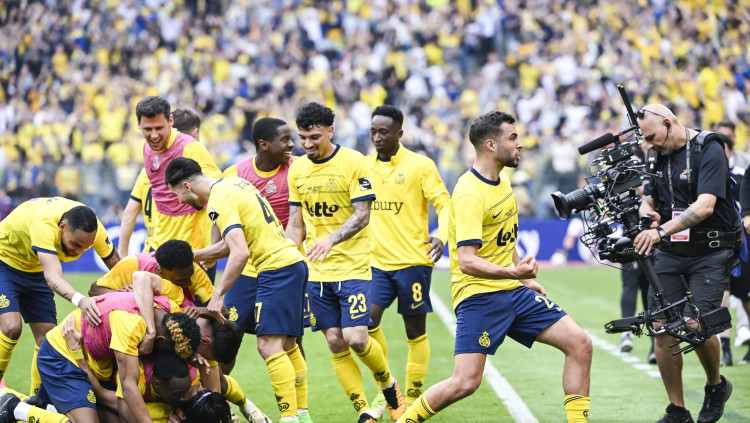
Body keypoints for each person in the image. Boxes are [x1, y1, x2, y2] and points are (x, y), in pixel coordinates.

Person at [397, 111, 592, 423]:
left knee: (580, 344)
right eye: (512, 138)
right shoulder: (469, 193)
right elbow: (467, 261)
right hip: (478, 296)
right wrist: (515, 274)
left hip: (513, 290)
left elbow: (502, 239)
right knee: (465, 382)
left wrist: (521, 278)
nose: (520, 144)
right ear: (490, 144)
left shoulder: (503, 179)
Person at [165, 157, 310, 423]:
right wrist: (190, 256)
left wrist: (217, 294)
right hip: (291, 264)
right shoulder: (234, 184)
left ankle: (289, 419)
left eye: (177, 195)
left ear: (187, 186)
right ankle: (302, 416)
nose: (181, 201)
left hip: (277, 269)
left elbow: (240, 252)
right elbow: (228, 246)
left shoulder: (218, 200)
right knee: (289, 345)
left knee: (268, 346)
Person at [286, 102, 405, 423]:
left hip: (353, 267)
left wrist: (331, 239)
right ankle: (364, 410)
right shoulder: (297, 169)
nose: (307, 144)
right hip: (317, 271)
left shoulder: (353, 162)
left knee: (356, 338)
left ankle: (389, 385)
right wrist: (286, 259)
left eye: (314, 137)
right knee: (335, 341)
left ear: (330, 131)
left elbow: (363, 214)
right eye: (302, 138)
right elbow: (296, 223)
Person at [633, 104, 737, 423]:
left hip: (711, 249)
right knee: (661, 327)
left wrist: (660, 230)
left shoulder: (709, 147)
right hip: (670, 250)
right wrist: (647, 212)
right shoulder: (655, 155)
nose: (649, 144)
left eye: (651, 137)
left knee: (698, 324)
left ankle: (716, 386)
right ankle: (677, 410)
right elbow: (648, 198)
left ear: (668, 123)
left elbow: (705, 206)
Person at [222, 117, 312, 418]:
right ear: (264, 144)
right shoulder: (236, 174)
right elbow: (223, 221)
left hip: (282, 266)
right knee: (227, 337)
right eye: (285, 140)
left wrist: (284, 252)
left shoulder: (298, 169)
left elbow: (299, 221)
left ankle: (300, 412)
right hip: (247, 269)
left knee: (289, 341)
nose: (292, 145)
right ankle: (219, 402)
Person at [365, 105, 450, 409]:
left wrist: (441, 235)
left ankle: (412, 399)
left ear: (399, 134)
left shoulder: (420, 165)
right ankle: (388, 389)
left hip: (413, 262)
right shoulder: (363, 166)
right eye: (373, 131)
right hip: (376, 264)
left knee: (415, 331)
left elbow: (445, 204)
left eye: (383, 132)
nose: (376, 137)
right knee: (365, 324)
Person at [0, 197, 120, 395]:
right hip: (4, 262)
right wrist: (81, 300)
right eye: (76, 244)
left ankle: (35, 398)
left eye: (86, 247)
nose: (79, 251)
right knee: (12, 327)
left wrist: (130, 287)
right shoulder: (43, 223)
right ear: (62, 227)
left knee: (47, 338)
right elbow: (52, 276)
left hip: (35, 268)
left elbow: (116, 265)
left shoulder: (94, 228)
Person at [130, 98, 222, 280]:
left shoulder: (191, 148)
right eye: (148, 129)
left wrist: (213, 248)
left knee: (197, 300)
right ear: (139, 125)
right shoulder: (147, 148)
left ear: (170, 121)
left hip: (194, 250)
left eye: (159, 128)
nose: (154, 135)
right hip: (161, 247)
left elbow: (219, 194)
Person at [118, 107, 204, 259]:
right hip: (188, 250)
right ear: (195, 134)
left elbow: (129, 213)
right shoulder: (194, 174)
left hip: (152, 249)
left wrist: (122, 255)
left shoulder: (146, 171)